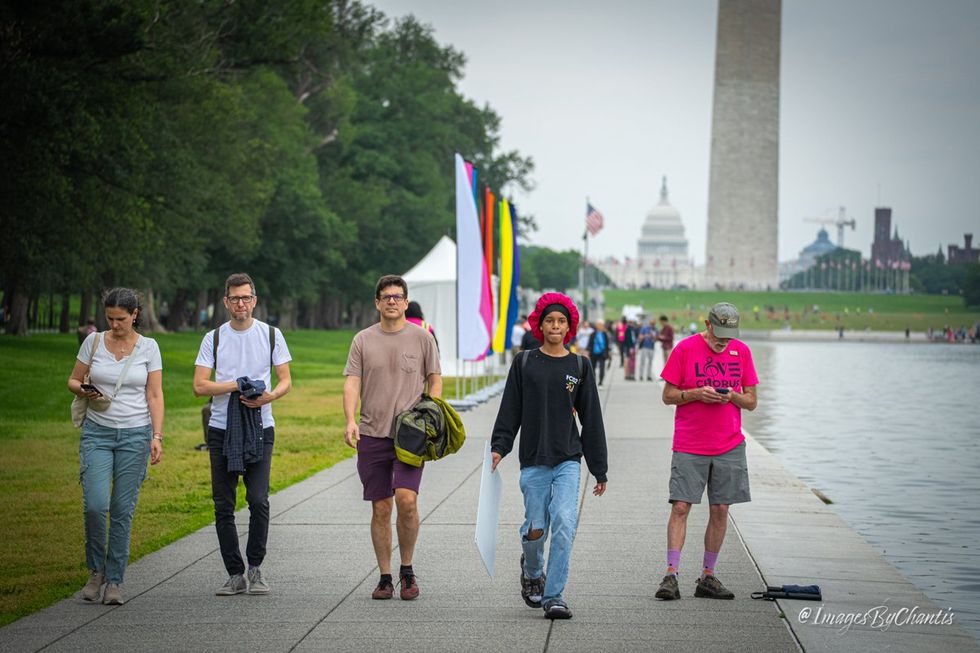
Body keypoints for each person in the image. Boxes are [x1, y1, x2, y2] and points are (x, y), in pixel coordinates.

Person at [490, 292, 608, 620]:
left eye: (561, 321)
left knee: (565, 522)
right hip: (533, 457)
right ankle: (532, 570)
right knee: (536, 528)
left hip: (568, 457)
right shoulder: (525, 362)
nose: (555, 326)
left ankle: (554, 595)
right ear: (540, 325)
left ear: (570, 327)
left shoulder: (579, 366)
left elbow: (591, 418)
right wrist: (499, 447)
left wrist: (599, 468)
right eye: (550, 321)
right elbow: (510, 408)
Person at [193, 273, 293, 596]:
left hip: (260, 427)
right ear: (226, 302)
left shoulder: (271, 335)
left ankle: (255, 568)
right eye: (235, 298)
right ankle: (234, 573)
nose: (241, 304)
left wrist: (269, 396)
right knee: (223, 503)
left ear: (255, 300)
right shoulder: (214, 338)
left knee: (258, 499)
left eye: (246, 298)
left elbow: (285, 380)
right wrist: (237, 385)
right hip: (221, 428)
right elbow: (199, 386)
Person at [344, 274, 441, 601]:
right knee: (381, 507)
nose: (392, 301)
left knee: (407, 501)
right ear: (377, 302)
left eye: (397, 297)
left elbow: (435, 379)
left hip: (410, 435)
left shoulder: (422, 338)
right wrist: (350, 420)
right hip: (372, 433)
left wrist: (430, 414)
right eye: (386, 297)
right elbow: (352, 382)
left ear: (405, 301)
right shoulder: (362, 340)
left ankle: (407, 569)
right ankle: (385, 576)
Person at [655, 302, 758, 601]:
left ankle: (708, 577)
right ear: (707, 324)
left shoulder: (742, 352)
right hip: (690, 443)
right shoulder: (685, 349)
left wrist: (732, 396)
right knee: (680, 506)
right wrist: (696, 394)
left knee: (720, 509)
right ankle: (671, 575)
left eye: (729, 336)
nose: (723, 342)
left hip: (729, 444)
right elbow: (667, 396)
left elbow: (751, 401)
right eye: (719, 334)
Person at [68, 288, 164, 605]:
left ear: (135, 314)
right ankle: (96, 571)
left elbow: (154, 394)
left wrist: (157, 436)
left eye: (120, 319)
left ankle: (114, 581)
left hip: (135, 436)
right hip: (97, 434)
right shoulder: (93, 342)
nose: (114, 324)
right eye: (109, 318)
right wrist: (84, 390)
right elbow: (73, 380)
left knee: (122, 511)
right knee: (95, 506)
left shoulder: (149, 347)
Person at [586, 319, 611, 386]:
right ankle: (593, 382)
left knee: (602, 368)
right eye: (599, 325)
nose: (600, 326)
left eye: (601, 325)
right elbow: (589, 344)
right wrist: (588, 351)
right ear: (596, 326)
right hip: (593, 353)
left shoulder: (605, 334)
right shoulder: (593, 334)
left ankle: (600, 382)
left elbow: (607, 344)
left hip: (602, 354)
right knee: (592, 369)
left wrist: (608, 353)